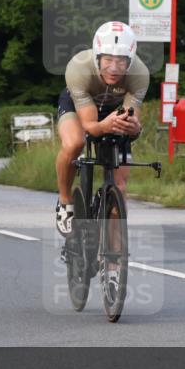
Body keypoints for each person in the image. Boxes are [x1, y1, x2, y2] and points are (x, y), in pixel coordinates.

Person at [55, 21, 149, 235]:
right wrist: (102, 126)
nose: (114, 68)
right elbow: (90, 126)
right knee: (74, 143)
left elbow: (131, 119)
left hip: (112, 110)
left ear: (131, 60)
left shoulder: (140, 74)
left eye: (121, 62)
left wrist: (133, 128)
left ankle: (114, 262)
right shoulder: (78, 67)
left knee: (121, 189)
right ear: (97, 57)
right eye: (107, 60)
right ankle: (65, 200)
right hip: (78, 106)